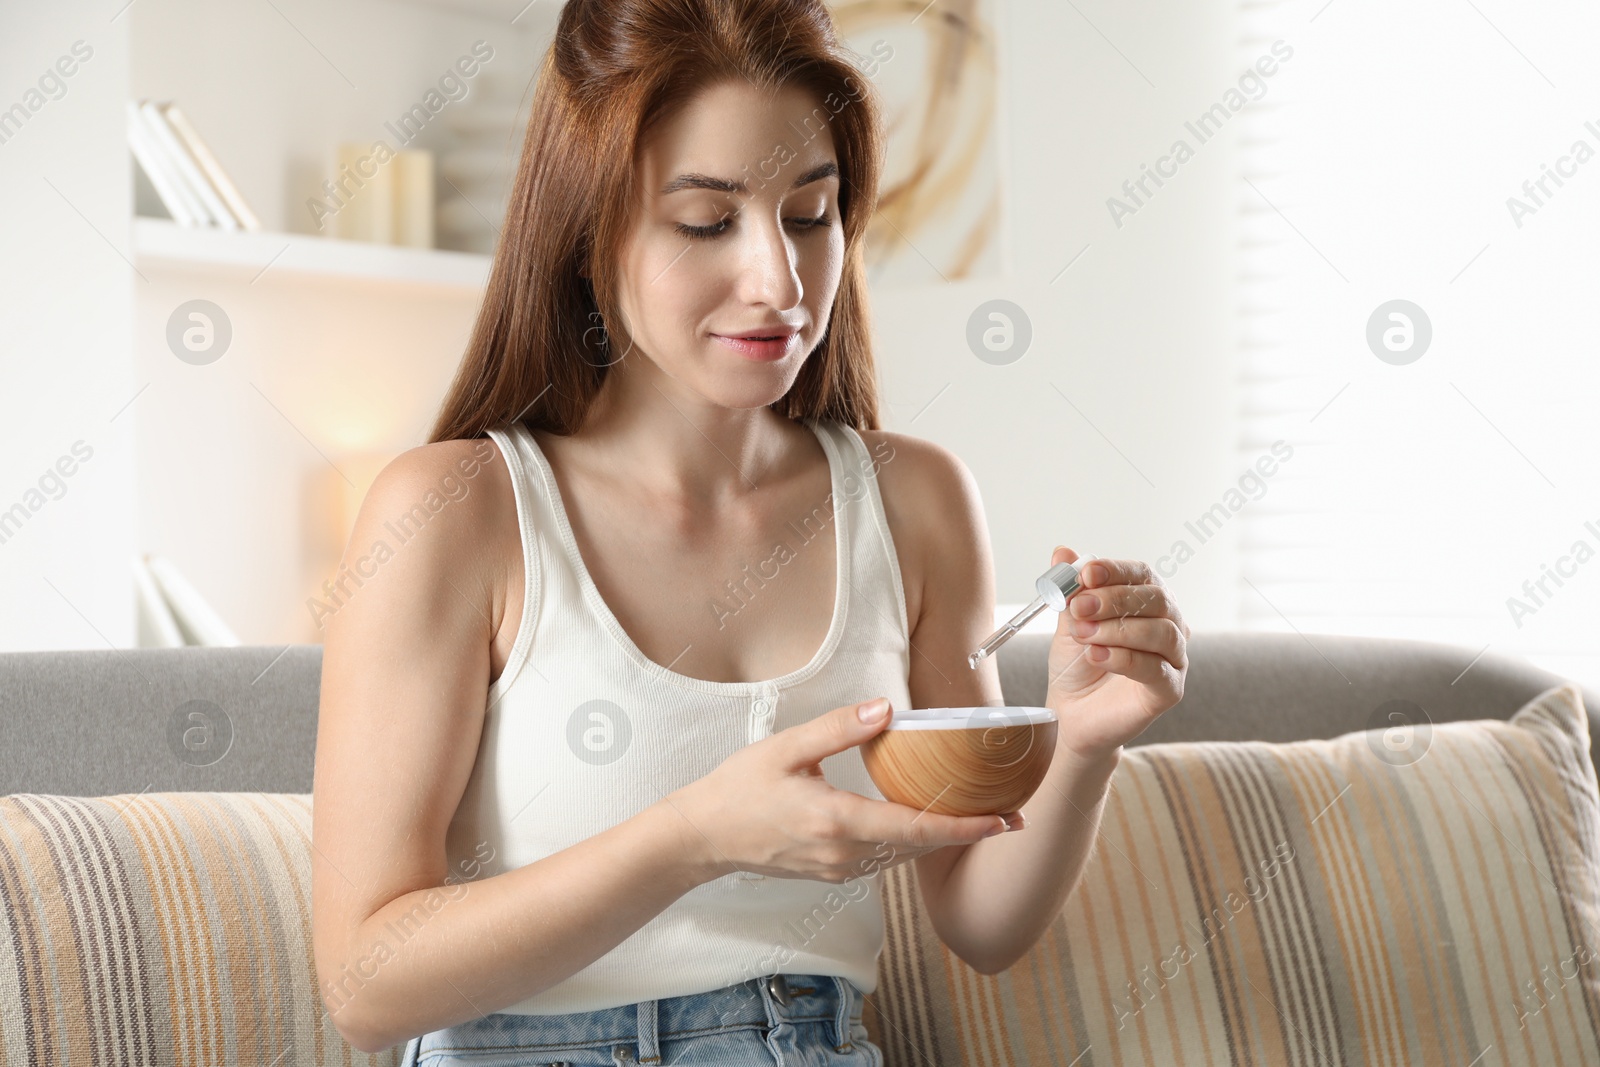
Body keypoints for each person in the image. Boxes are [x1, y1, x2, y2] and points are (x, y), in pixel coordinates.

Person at [311, 0, 1191, 1063]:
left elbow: (979, 916)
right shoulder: (456, 511)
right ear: (589, 229)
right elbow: (363, 982)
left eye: (809, 213)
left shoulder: (915, 500)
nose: (779, 283)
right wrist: (691, 838)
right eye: (705, 222)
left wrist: (1083, 738)